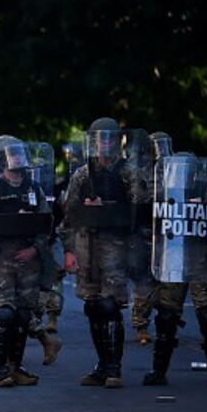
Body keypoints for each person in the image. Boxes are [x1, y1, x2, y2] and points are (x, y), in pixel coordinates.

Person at [62, 118, 146, 388]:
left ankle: (114, 368)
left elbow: (139, 214)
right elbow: (69, 214)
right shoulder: (83, 174)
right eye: (101, 138)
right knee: (92, 306)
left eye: (110, 138)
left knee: (110, 306)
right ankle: (101, 365)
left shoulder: (128, 173)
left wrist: (107, 208)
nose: (105, 143)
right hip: (87, 246)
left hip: (116, 247)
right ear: (94, 141)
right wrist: (68, 249)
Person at [0, 136, 51, 387]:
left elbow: (47, 225)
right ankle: (1, 369)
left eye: (20, 155)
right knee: (3, 314)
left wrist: (35, 249)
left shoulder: (33, 188)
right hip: (0, 260)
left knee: (24, 316)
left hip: (27, 262)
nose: (17, 160)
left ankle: (17, 366)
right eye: (12, 156)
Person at [144, 153, 207, 387]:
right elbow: (152, 224)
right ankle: (158, 370)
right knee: (166, 315)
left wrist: (202, 206)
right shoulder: (162, 194)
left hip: (201, 258)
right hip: (172, 257)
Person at [130, 132, 173, 345]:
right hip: (146, 232)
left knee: (168, 284)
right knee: (144, 282)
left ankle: (168, 324)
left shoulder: (175, 171)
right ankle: (141, 325)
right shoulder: (140, 173)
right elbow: (137, 201)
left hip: (169, 233)